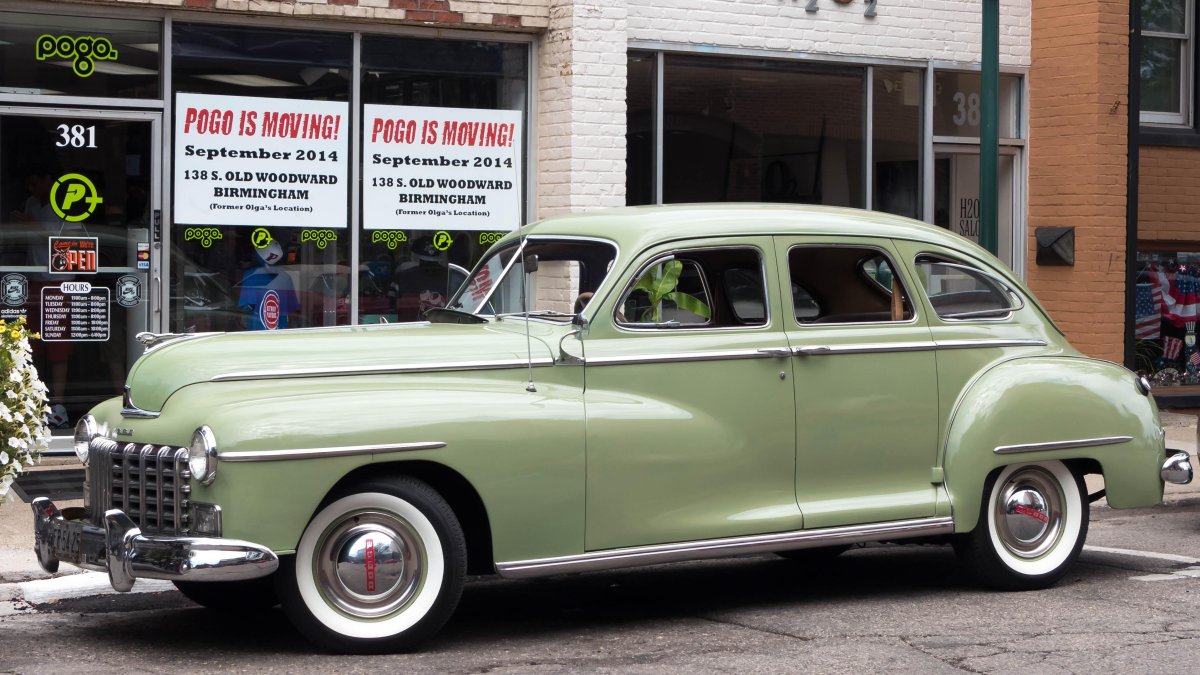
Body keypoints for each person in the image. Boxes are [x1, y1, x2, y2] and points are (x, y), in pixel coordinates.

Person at [237, 239, 299, 330]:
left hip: (256, 335)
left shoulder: (251, 275)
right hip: (280, 334)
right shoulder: (286, 277)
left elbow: (245, 309)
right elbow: (292, 310)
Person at [393, 236, 452, 322]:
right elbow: (392, 304)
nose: (429, 268)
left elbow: (391, 305)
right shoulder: (451, 276)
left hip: (412, 330)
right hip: (411, 330)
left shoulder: (403, 276)